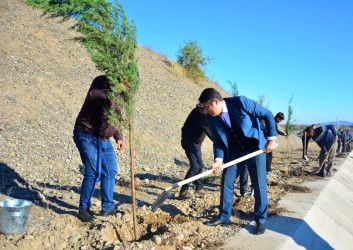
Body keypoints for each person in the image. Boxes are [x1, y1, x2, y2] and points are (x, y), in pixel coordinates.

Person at [199, 88, 277, 235]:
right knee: (226, 181)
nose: (205, 111)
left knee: (259, 184)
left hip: (255, 147)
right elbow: (218, 141)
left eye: (206, 107)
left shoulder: (240, 103)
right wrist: (218, 160)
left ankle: (261, 220)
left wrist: (271, 139)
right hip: (235, 151)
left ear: (216, 102)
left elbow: (267, 114)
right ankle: (224, 216)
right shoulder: (211, 117)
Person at [73, 75, 124, 222]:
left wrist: (118, 137)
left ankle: (108, 207)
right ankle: (83, 209)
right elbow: (93, 95)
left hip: (104, 139)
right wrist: (113, 90)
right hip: (87, 134)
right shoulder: (102, 81)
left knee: (111, 170)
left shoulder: (120, 98)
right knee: (94, 172)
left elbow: (116, 119)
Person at [179, 104, 213, 200]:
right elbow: (207, 129)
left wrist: (201, 140)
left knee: (200, 165)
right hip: (188, 141)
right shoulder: (200, 112)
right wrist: (219, 142)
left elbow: (202, 128)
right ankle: (183, 191)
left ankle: (199, 188)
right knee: (195, 166)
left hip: (195, 142)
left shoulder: (202, 112)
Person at [266, 112, 287, 177]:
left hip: (267, 140)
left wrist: (283, 133)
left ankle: (267, 170)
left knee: (268, 156)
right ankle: (268, 171)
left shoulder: (272, 121)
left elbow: (276, 130)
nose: (280, 122)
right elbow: (275, 130)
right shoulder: (273, 122)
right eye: (280, 120)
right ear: (278, 118)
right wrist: (283, 134)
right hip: (267, 141)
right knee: (269, 156)